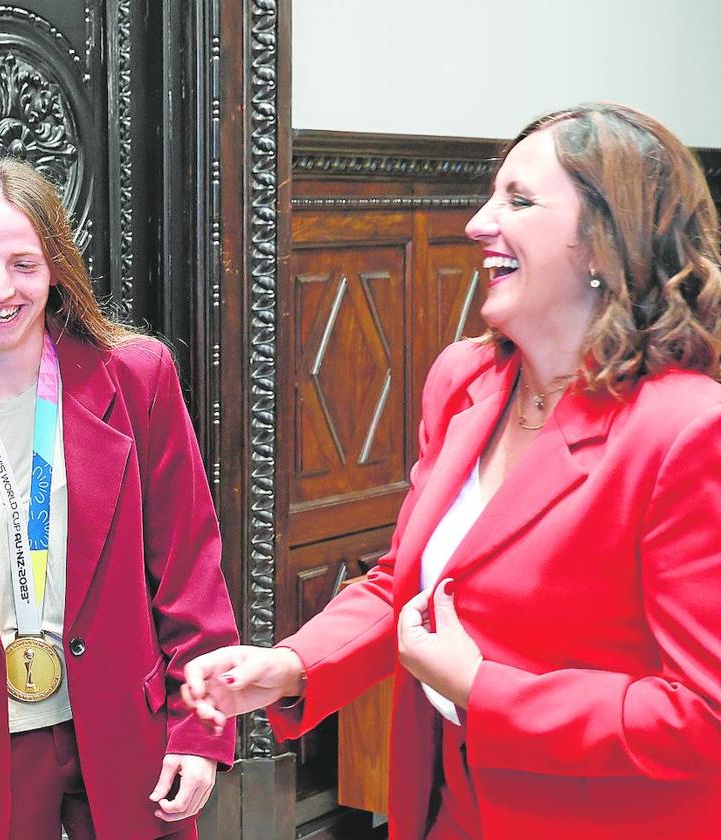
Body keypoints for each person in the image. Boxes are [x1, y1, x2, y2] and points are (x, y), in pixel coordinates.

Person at [181, 103, 721, 840]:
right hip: (447, 809)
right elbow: (410, 582)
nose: (475, 223)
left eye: (519, 201)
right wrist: (294, 663)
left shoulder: (688, 430)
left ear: (606, 242)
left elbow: (704, 717)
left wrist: (482, 691)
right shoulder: (464, 380)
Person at [0, 158, 238, 840]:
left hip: (125, 734)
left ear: (57, 270)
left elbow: (189, 567)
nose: (0, 288)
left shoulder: (137, 378)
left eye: (25, 264)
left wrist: (202, 729)